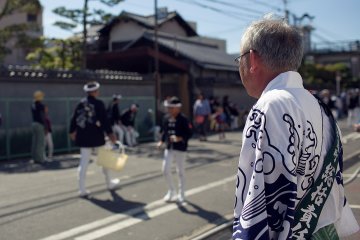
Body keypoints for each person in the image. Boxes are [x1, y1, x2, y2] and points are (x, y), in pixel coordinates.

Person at [233, 15, 359, 239]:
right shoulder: (321, 108)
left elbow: (262, 201)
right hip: (325, 230)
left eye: (239, 59)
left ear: (252, 60)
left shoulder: (270, 105)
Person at [69, 81, 120, 197]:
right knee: (105, 160)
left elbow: (74, 118)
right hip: (97, 136)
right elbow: (104, 121)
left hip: (83, 136)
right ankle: (109, 183)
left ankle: (81, 189)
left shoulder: (80, 104)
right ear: (96, 92)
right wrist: (110, 134)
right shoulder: (99, 104)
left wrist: (71, 131)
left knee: (84, 163)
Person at [157, 96, 193, 203]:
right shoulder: (166, 118)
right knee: (165, 169)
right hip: (169, 147)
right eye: (169, 108)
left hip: (180, 148)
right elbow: (165, 132)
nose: (169, 110)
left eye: (172, 108)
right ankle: (171, 190)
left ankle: (182, 194)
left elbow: (190, 133)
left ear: (178, 108)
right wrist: (162, 141)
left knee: (180, 171)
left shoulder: (184, 119)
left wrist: (180, 138)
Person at [31, 90, 47, 164]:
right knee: (40, 142)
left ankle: (34, 158)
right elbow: (43, 116)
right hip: (40, 124)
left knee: (35, 142)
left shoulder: (33, 105)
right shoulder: (41, 105)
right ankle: (40, 159)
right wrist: (45, 125)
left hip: (34, 123)